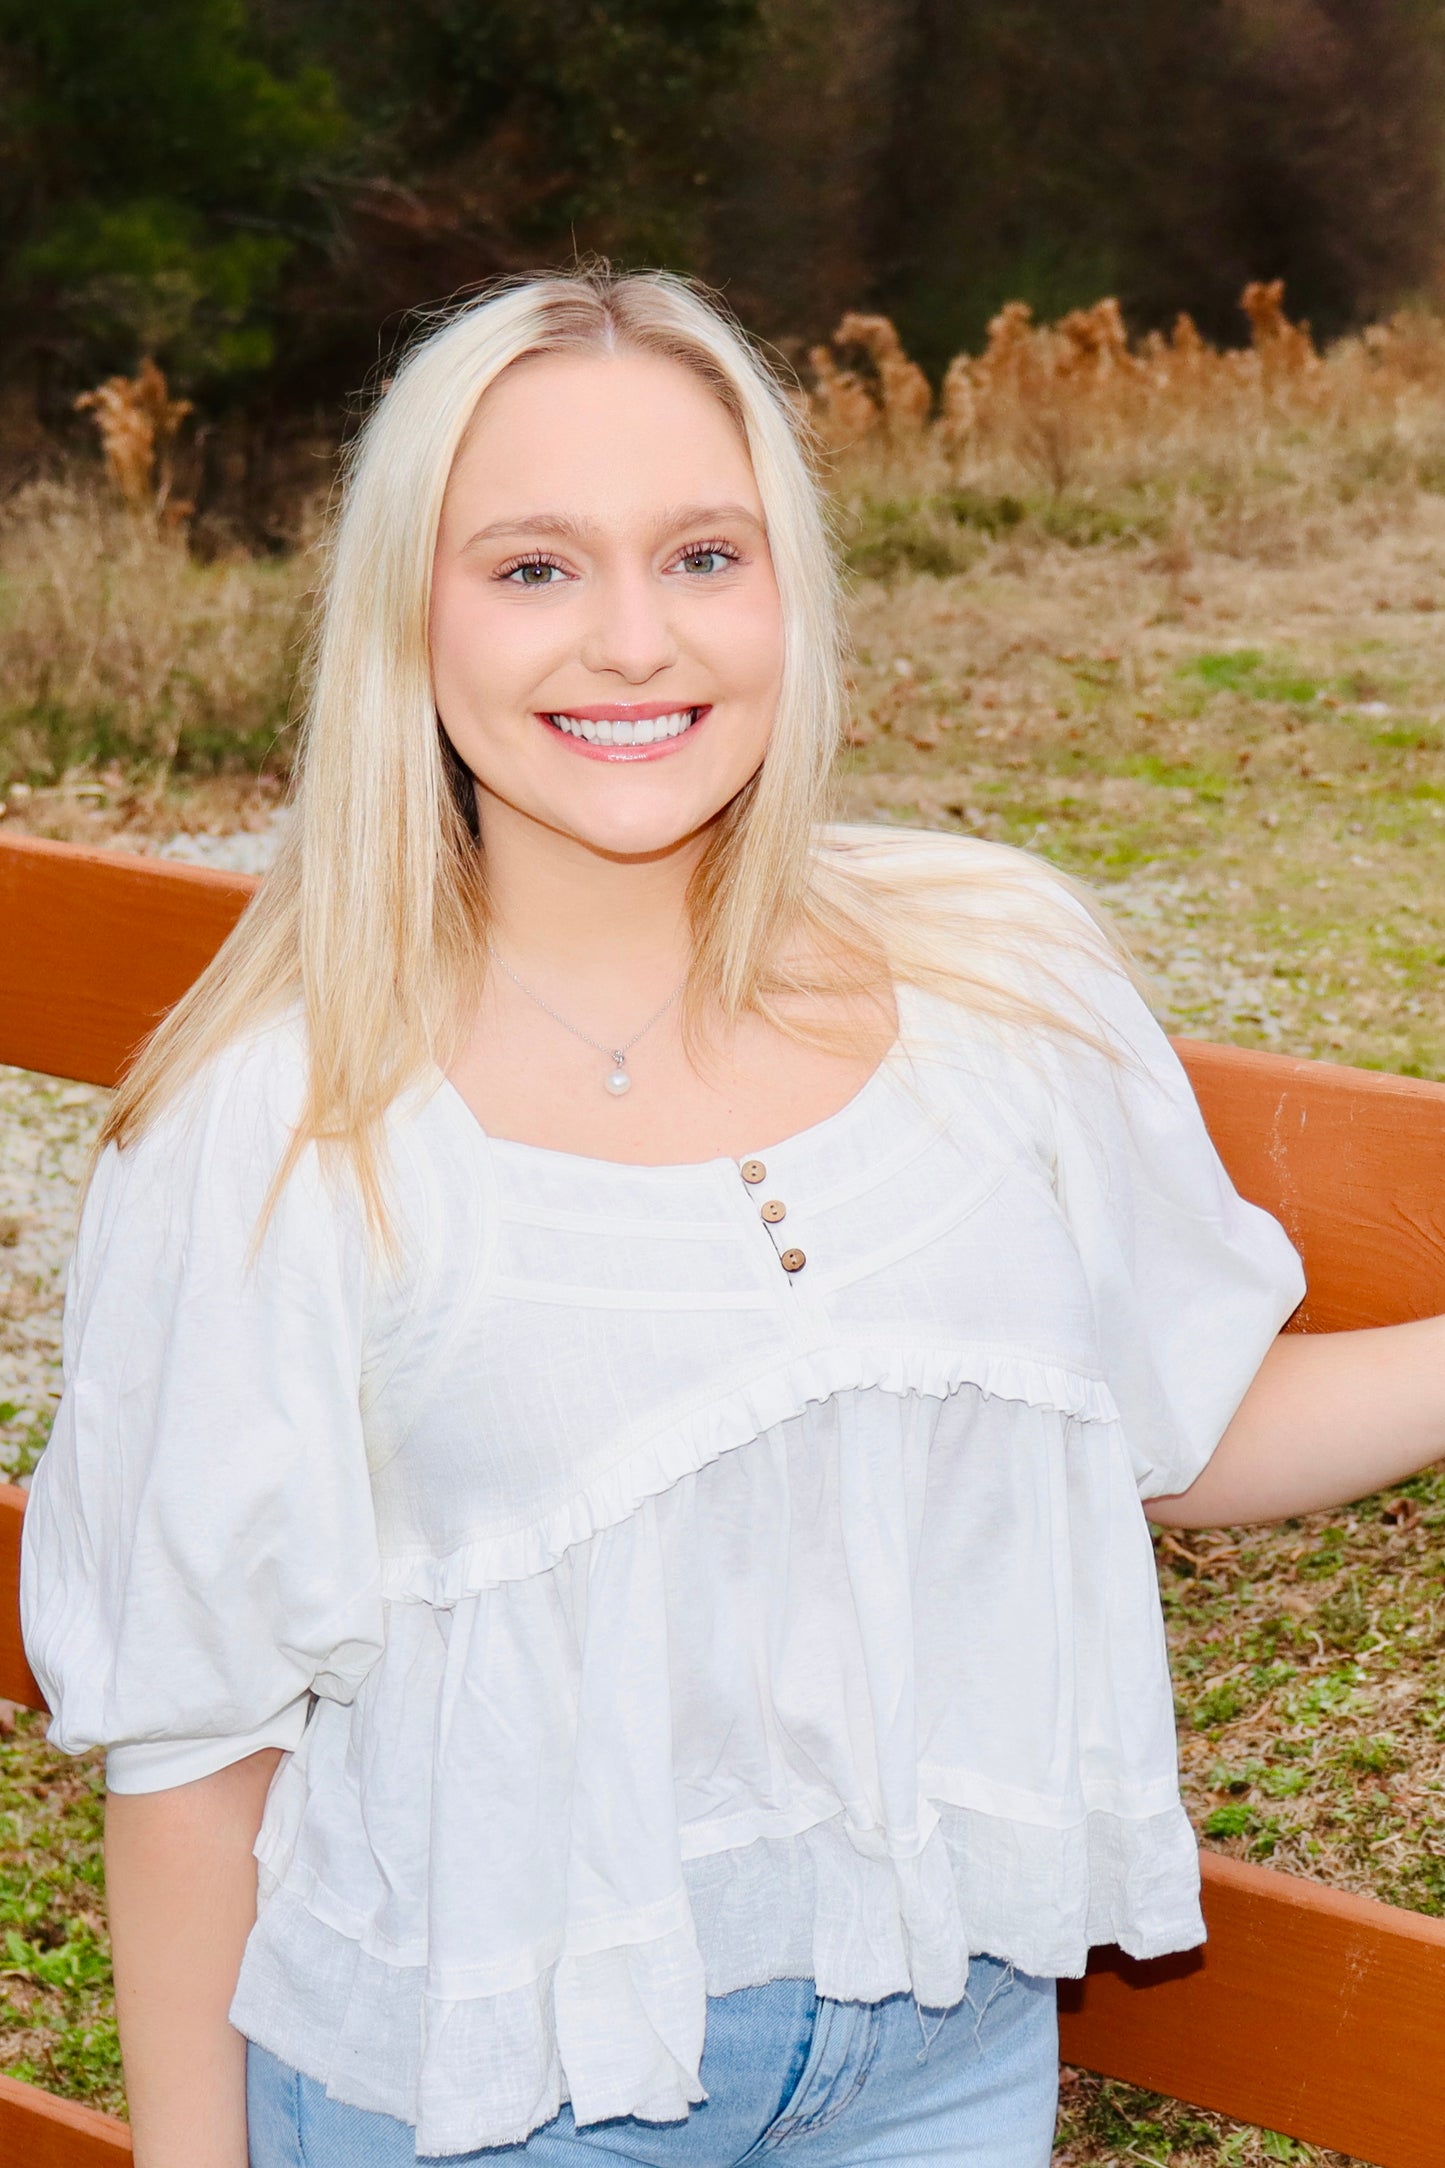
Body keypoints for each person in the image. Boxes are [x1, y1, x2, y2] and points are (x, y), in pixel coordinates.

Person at [19, 267, 1445, 2168]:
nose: (630, 640)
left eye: (703, 553)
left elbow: (1175, 1420)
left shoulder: (997, 984)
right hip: (487, 2092)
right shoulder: (282, 1124)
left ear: (791, 592)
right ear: (405, 620)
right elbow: (195, 1752)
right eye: (531, 568)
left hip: (937, 2051)